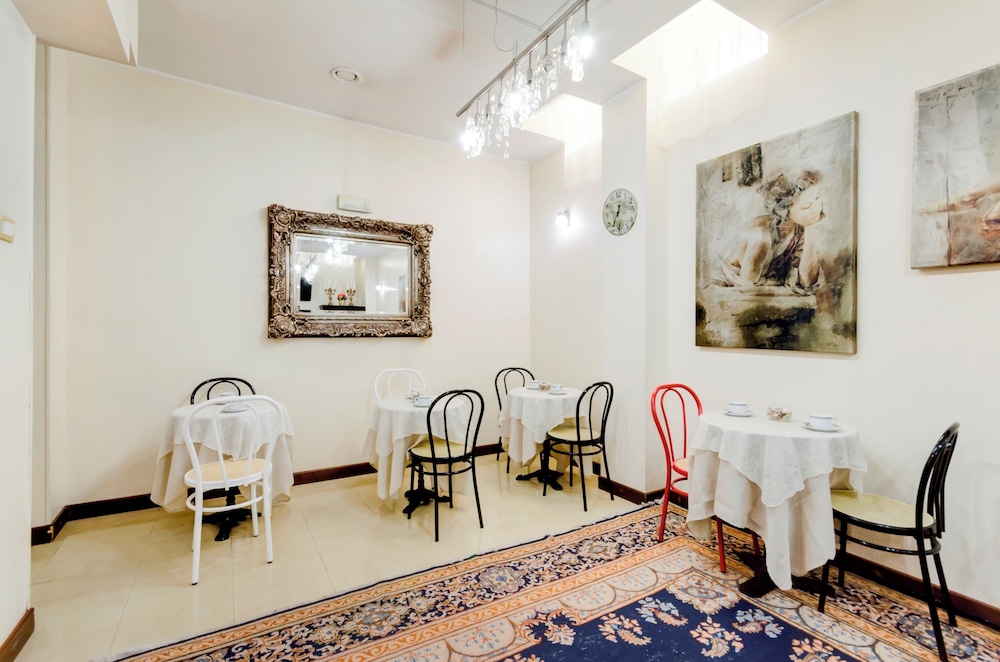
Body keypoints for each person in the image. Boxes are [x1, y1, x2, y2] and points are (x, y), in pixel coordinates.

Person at [716, 170, 825, 294]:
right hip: (729, 290)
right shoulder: (761, 236)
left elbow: (807, 283)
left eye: (817, 198)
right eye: (806, 206)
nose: (816, 209)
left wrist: (810, 229)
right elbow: (748, 290)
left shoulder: (798, 230)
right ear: (785, 209)